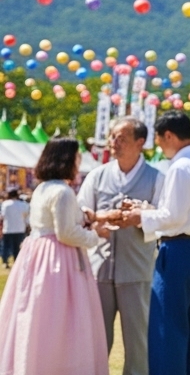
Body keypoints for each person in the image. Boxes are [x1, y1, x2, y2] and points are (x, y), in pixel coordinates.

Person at [107, 110, 190, 375]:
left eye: (159, 140)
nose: (158, 146)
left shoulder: (180, 167)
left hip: (178, 249)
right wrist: (147, 210)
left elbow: (173, 216)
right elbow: (182, 212)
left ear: (169, 135)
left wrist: (139, 215)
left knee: (166, 327)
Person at [0, 139, 110, 374]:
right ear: (68, 160)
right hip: (59, 259)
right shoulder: (62, 191)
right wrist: (96, 235)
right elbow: (66, 233)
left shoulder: (42, 188)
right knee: (62, 314)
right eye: (77, 158)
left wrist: (83, 217)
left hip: (36, 256)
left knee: (35, 313)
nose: (79, 163)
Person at [78, 117, 163, 375]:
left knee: (138, 341)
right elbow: (82, 215)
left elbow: (163, 221)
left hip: (137, 271)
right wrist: (99, 221)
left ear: (141, 143)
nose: (114, 143)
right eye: (112, 137)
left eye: (121, 138)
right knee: (96, 340)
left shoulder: (157, 178)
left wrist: (140, 218)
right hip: (99, 269)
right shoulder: (97, 175)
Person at [1, 188, 28, 268]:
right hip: (20, 228)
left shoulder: (5, 204)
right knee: (17, 247)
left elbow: (3, 216)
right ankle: (17, 261)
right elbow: (26, 216)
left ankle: (5, 262)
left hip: (8, 228)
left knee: (6, 246)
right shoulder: (23, 204)